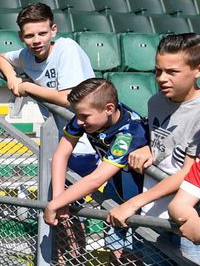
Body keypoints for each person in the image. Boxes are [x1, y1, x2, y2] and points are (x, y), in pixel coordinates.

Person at [107, 34, 200, 266]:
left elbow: (188, 173)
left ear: (197, 70)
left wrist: (133, 203)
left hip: (187, 215)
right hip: (154, 212)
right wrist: (149, 149)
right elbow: (163, 144)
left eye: (172, 72)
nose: (162, 78)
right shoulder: (155, 101)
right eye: (158, 71)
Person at [0, 1, 98, 172]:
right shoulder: (26, 55)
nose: (36, 41)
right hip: (64, 141)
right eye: (29, 36)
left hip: (90, 142)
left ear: (54, 30)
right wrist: (12, 78)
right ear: (21, 37)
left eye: (42, 33)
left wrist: (27, 87)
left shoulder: (67, 48)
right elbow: (2, 58)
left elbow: (68, 98)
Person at [44, 78, 149, 229]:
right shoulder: (87, 116)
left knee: (140, 249)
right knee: (115, 246)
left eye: (84, 116)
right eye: (77, 115)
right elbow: (61, 155)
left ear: (109, 109)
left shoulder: (128, 133)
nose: (79, 122)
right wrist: (59, 198)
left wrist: (54, 205)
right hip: (115, 187)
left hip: (141, 199)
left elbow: (96, 180)